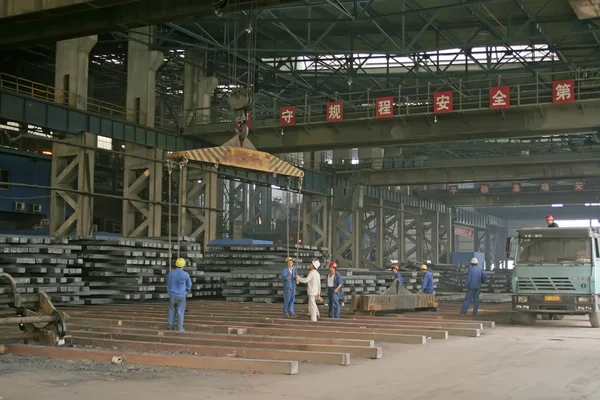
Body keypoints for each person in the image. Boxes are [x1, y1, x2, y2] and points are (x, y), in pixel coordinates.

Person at [167, 257, 192, 332]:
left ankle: (170, 326)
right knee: (180, 311)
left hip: (172, 295)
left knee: (171, 310)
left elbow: (168, 283)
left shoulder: (170, 273)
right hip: (181, 296)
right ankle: (180, 328)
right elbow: (189, 286)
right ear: (183, 265)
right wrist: (185, 290)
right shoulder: (185, 274)